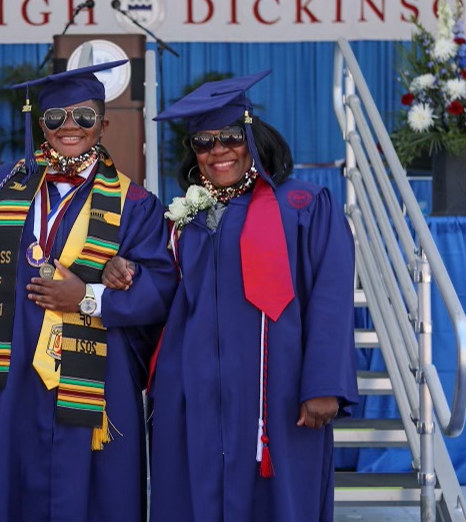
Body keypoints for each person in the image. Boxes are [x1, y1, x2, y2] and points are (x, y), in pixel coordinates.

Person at [0, 60, 177, 522]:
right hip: (4, 370)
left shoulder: (135, 204)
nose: (69, 127)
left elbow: (160, 288)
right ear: (41, 124)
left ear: (104, 123)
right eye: (56, 118)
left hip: (94, 376)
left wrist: (99, 292)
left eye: (84, 116)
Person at [104, 70, 359, 522]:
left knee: (280, 502)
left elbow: (331, 298)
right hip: (194, 392)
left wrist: (325, 384)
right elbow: (161, 293)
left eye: (229, 137)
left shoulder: (303, 206)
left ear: (252, 136)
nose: (218, 150)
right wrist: (118, 269)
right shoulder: (185, 221)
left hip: (276, 392)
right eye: (203, 142)